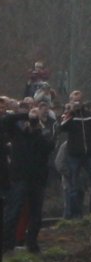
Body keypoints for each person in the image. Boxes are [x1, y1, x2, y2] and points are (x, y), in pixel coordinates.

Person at [2, 97, 54, 253]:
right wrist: (27, 115)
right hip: (19, 178)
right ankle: (7, 245)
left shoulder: (42, 135)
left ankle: (32, 244)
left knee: (35, 214)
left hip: (37, 179)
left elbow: (49, 147)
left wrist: (38, 128)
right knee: (13, 211)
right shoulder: (17, 134)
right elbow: (7, 121)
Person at [59, 90, 91, 217]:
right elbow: (61, 128)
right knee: (73, 185)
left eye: (79, 100)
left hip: (90, 154)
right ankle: (76, 214)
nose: (77, 102)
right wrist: (71, 112)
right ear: (71, 101)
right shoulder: (69, 116)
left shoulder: (89, 116)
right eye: (74, 100)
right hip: (74, 154)